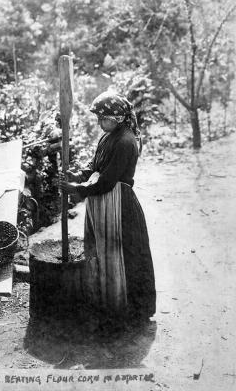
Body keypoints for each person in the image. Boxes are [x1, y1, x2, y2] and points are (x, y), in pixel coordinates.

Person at [59, 91, 156, 326]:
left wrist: (78, 189)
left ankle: (132, 309)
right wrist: (79, 175)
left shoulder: (125, 141)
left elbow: (107, 180)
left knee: (124, 254)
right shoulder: (108, 137)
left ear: (117, 118)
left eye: (103, 118)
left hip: (119, 203)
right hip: (103, 202)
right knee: (101, 251)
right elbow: (95, 166)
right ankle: (107, 301)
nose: (99, 122)